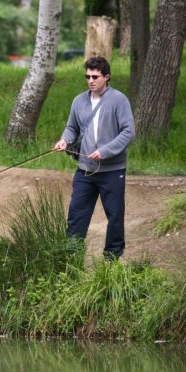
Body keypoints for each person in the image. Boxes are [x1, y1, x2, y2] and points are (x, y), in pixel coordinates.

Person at [53, 56, 135, 260]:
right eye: (88, 76)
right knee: (76, 216)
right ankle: (71, 259)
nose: (90, 80)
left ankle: (112, 261)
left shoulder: (119, 100)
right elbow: (71, 127)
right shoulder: (79, 100)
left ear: (106, 77)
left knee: (115, 217)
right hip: (85, 171)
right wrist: (64, 140)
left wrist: (105, 151)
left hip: (112, 171)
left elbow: (128, 131)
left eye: (95, 77)